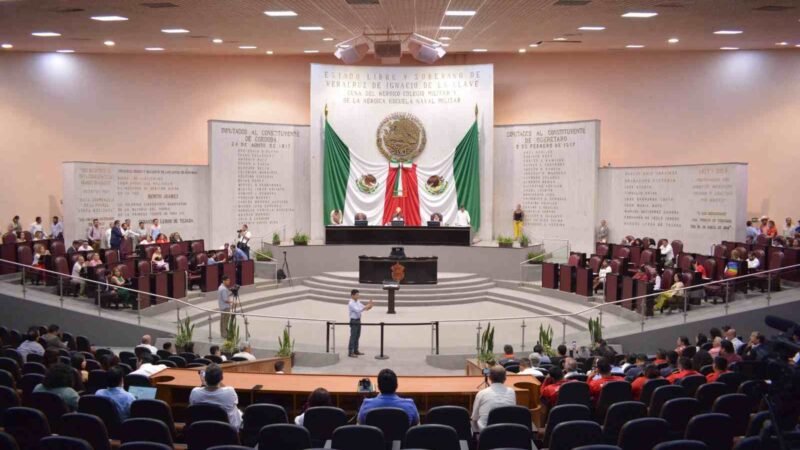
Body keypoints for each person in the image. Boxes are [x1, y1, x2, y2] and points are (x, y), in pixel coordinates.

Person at [190, 364, 242, 428]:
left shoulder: (195, 392)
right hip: (226, 431)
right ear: (221, 378)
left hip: (202, 429)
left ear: (205, 378)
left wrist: (204, 383)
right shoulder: (230, 392)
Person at [471, 366, 516, 432]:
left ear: (489, 377)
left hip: (486, 433)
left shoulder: (481, 393)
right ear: (505, 378)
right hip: (507, 431)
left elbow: (474, 417)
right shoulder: (512, 392)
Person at [348, 289, 374, 358]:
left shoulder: (358, 301)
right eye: (356, 295)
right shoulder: (351, 303)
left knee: (357, 336)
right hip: (354, 321)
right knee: (353, 336)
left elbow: (363, 307)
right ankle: (350, 352)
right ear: (352, 295)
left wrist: (369, 306)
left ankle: (356, 350)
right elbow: (358, 310)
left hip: (358, 320)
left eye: (358, 294)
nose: (358, 296)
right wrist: (367, 306)